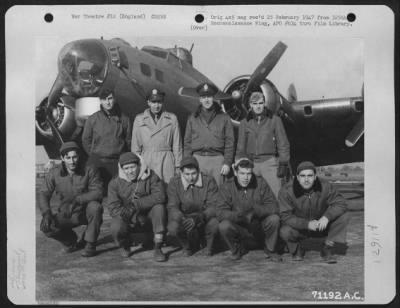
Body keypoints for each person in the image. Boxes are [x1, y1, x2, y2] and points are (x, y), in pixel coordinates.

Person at [37, 141, 104, 257]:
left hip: (85, 211)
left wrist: (78, 199)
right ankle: (70, 241)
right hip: (67, 212)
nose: (72, 161)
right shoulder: (55, 173)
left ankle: (90, 243)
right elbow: (43, 193)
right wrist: (46, 213)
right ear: (62, 158)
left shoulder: (90, 170)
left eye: (75, 157)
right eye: (68, 158)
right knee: (47, 227)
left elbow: (98, 192)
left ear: (79, 156)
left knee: (96, 207)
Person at [278, 161, 350, 263]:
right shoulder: (286, 191)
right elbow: (285, 216)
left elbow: (341, 204)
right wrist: (306, 224)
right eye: (302, 176)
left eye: (310, 176)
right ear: (297, 177)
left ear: (315, 177)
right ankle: (296, 249)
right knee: (285, 231)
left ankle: (327, 248)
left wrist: (327, 217)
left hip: (321, 226)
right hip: (301, 228)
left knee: (344, 215)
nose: (306, 179)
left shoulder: (325, 186)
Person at [217, 156, 281, 261]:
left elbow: (274, 206)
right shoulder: (227, 186)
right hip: (240, 227)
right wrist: (238, 216)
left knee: (274, 219)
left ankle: (270, 249)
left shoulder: (261, 183)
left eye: (249, 174)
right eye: (242, 173)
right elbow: (220, 212)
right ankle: (237, 249)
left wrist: (256, 211)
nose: (245, 177)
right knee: (224, 226)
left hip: (259, 226)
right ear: (236, 173)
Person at [106, 152, 167, 262]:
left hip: (148, 216)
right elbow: (113, 207)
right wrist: (131, 215)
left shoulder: (151, 176)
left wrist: (137, 205)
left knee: (159, 208)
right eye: (126, 168)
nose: (130, 171)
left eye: (133, 167)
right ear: (122, 169)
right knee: (116, 226)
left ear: (139, 165)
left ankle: (158, 246)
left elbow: (160, 196)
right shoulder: (115, 183)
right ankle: (125, 245)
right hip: (128, 218)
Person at [236, 92, 290, 197]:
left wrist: (283, 162)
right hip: (251, 164)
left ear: (264, 103)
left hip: (269, 162)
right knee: (251, 195)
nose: (258, 106)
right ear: (250, 105)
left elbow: (283, 143)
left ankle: (278, 213)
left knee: (276, 194)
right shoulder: (244, 123)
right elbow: (240, 146)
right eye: (255, 104)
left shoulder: (275, 120)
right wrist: (239, 163)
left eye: (260, 103)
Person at [183, 82, 235, 186]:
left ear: (214, 98)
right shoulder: (192, 118)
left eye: (209, 97)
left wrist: (227, 163)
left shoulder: (224, 118)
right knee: (198, 194)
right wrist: (187, 163)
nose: (207, 100)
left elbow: (230, 142)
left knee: (218, 193)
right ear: (200, 99)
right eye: (203, 97)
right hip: (197, 160)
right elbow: (187, 143)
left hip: (217, 160)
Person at [167, 156, 219, 257]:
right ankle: (186, 247)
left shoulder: (209, 181)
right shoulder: (174, 182)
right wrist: (182, 218)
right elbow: (172, 206)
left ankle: (209, 247)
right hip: (185, 217)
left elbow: (215, 205)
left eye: (194, 173)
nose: (190, 177)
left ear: (198, 171)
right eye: (187, 174)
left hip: (203, 217)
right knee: (173, 226)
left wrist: (200, 217)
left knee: (215, 223)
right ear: (181, 173)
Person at [82, 88, 132, 190]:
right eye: (104, 99)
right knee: (96, 192)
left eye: (110, 98)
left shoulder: (125, 119)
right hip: (98, 162)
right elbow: (85, 139)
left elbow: (129, 141)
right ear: (100, 101)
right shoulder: (92, 119)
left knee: (119, 193)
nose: (107, 102)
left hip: (117, 163)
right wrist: (93, 155)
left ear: (114, 99)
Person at [131, 88, 182, 185]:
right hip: (147, 160)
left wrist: (178, 165)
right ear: (148, 102)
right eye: (153, 102)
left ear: (163, 103)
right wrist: (136, 165)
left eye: (159, 102)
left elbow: (177, 144)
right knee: (149, 189)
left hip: (166, 160)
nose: (156, 106)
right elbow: (135, 146)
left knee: (168, 189)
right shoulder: (139, 119)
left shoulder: (172, 118)